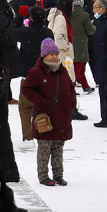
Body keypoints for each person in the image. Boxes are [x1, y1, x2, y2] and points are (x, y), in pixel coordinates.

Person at [21, 38, 76, 186]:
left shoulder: (62, 70)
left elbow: (71, 87)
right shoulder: (36, 72)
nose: (54, 57)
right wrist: (42, 101)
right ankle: (43, 175)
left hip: (62, 116)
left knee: (58, 148)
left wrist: (72, 102)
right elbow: (26, 89)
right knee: (44, 149)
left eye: (56, 54)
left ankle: (58, 175)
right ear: (44, 56)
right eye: (51, 54)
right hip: (45, 118)